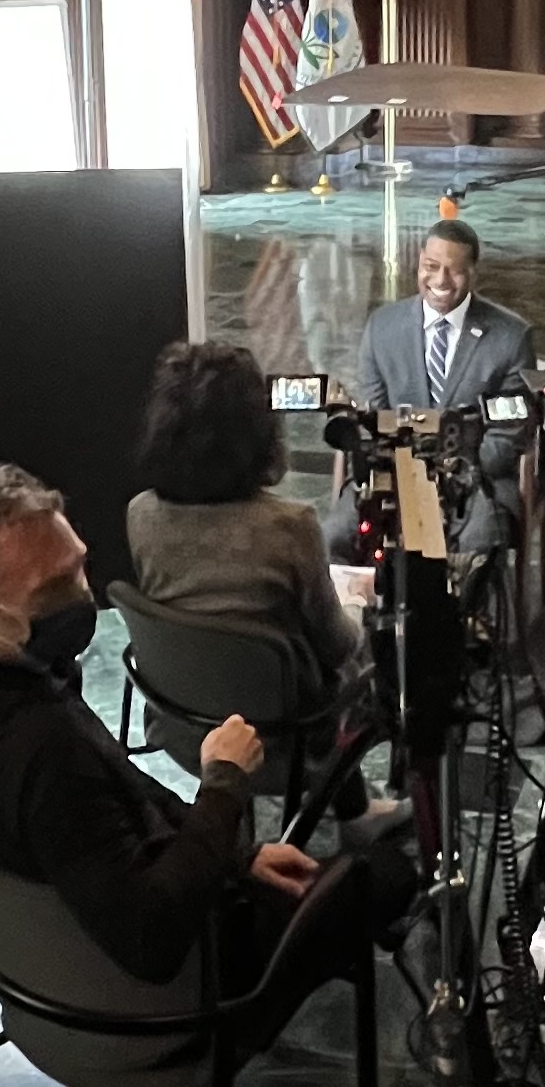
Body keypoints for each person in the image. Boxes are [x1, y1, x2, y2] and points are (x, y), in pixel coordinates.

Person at [0, 464, 415, 1087]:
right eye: (53, 586)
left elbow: (112, 788)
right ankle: (197, 1081)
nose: (79, 594)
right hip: (162, 988)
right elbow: (152, 936)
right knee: (383, 875)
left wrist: (233, 851)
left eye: (79, 566)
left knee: (297, 875)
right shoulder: (41, 748)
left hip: (55, 962)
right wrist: (221, 786)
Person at [127, 340, 409, 846]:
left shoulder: (141, 514)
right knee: (354, 649)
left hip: (181, 725)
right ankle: (356, 812)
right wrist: (354, 600)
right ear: (255, 433)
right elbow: (338, 646)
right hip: (281, 739)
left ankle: (352, 807)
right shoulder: (290, 526)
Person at [327, 219, 536, 556]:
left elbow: (507, 434)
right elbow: (375, 417)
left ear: (473, 273)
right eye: (431, 267)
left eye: (454, 271)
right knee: (335, 538)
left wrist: (451, 473)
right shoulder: (382, 327)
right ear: (419, 262)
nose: (440, 280)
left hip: (476, 479)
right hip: (392, 472)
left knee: (476, 548)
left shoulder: (511, 338)